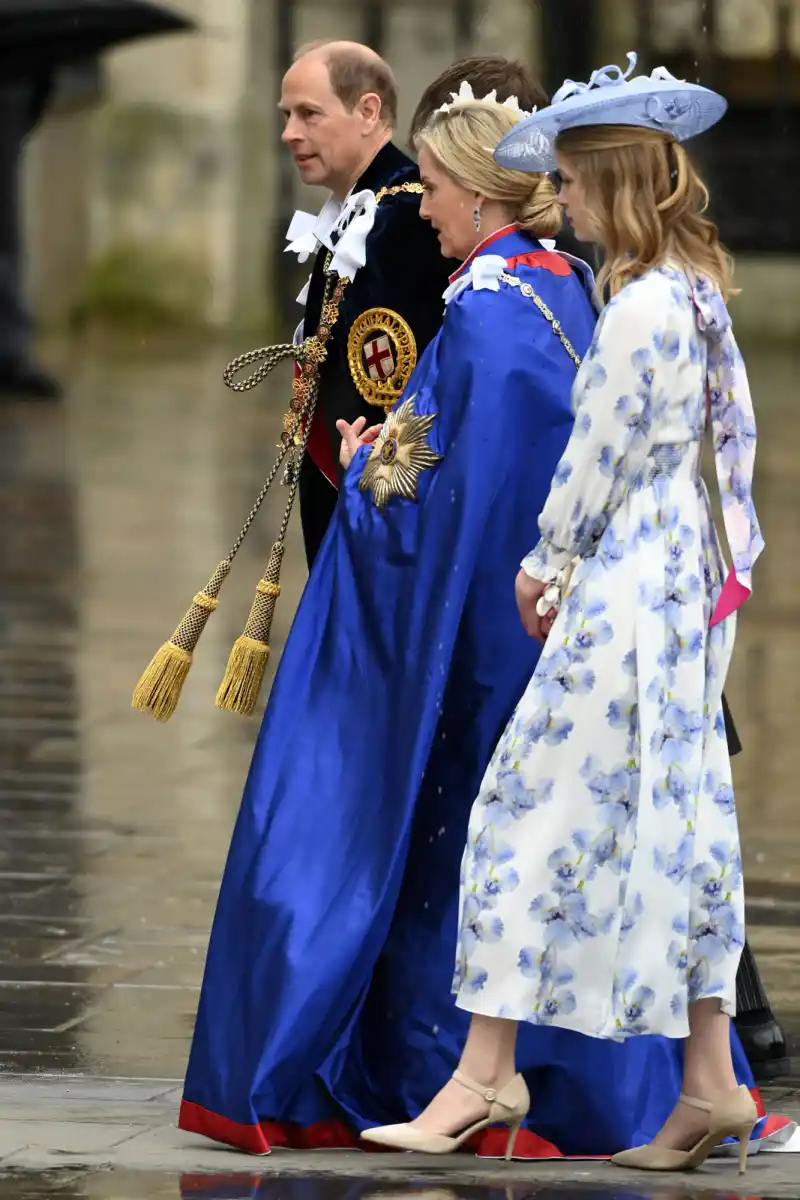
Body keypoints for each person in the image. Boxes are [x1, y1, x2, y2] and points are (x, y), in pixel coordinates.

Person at [362, 55, 767, 1175]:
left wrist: (544, 565)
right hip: (681, 582)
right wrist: (721, 576)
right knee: (680, 827)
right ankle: (707, 1082)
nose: (566, 202)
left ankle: (484, 1071)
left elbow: (593, 462)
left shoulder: (638, 306)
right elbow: (732, 451)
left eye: (578, 184)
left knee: (517, 810)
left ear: (613, 182)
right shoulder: (693, 291)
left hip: (628, 585)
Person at [179, 89, 601, 1156]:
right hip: (547, 625)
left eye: (438, 189)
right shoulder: (566, 289)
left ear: (473, 188)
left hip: (477, 634)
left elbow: (436, 497)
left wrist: (365, 460)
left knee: (436, 844)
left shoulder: (486, 309)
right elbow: (476, 454)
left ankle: (435, 1067)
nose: (422, 212)